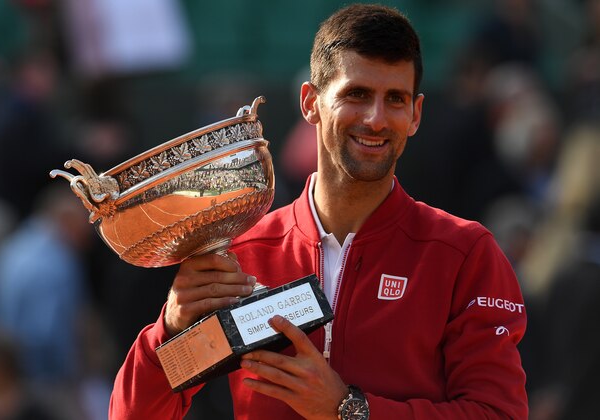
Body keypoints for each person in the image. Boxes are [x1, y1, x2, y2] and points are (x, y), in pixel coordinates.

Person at [109, 4, 528, 419]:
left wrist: (348, 409)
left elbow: (498, 413)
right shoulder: (242, 254)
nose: (376, 119)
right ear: (310, 102)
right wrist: (171, 330)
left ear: (415, 114)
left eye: (395, 100)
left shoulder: (464, 254)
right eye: (357, 94)